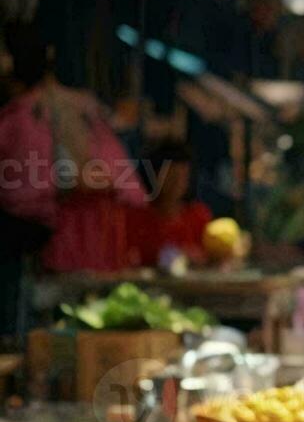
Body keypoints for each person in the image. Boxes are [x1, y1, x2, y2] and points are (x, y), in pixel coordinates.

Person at [0, 25, 144, 274]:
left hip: (51, 259)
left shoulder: (22, 116)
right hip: (99, 257)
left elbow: (20, 196)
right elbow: (131, 189)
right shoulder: (84, 108)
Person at [129, 140, 212, 269]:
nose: (177, 183)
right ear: (153, 176)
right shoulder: (138, 218)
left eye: (183, 176)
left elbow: (211, 258)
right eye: (170, 175)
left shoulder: (199, 215)